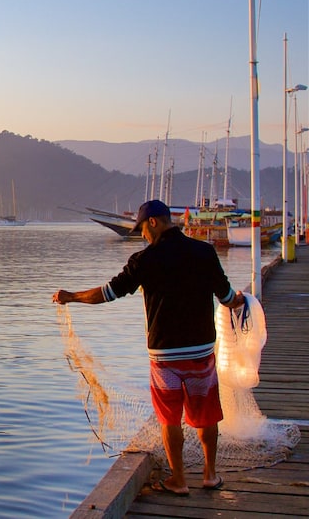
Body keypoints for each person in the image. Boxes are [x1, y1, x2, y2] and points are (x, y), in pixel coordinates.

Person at [52, 199, 245, 496]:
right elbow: (228, 296)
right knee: (206, 413)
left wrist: (71, 297)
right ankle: (209, 475)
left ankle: (179, 480)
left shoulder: (145, 260)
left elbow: (107, 293)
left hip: (165, 355)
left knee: (169, 418)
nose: (142, 235)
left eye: (142, 228)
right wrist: (243, 302)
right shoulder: (205, 252)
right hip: (201, 352)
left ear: (153, 222)